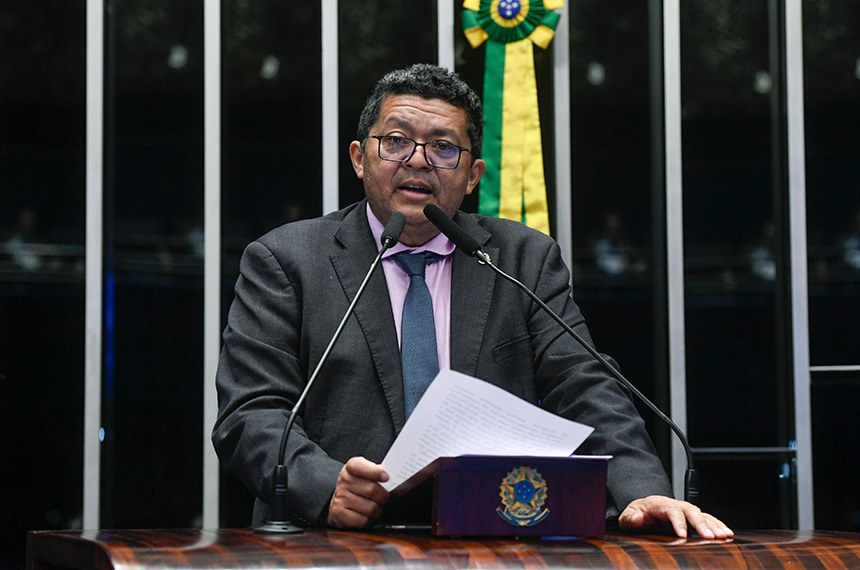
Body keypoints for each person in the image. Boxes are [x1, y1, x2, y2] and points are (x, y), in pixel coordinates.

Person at [212, 63, 732, 540]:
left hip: (492, 536)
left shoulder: (521, 258)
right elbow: (252, 411)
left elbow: (582, 383)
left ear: (473, 175)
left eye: (443, 147)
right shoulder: (286, 259)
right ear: (359, 158)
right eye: (395, 141)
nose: (417, 161)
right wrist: (327, 487)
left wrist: (640, 488)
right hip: (330, 542)